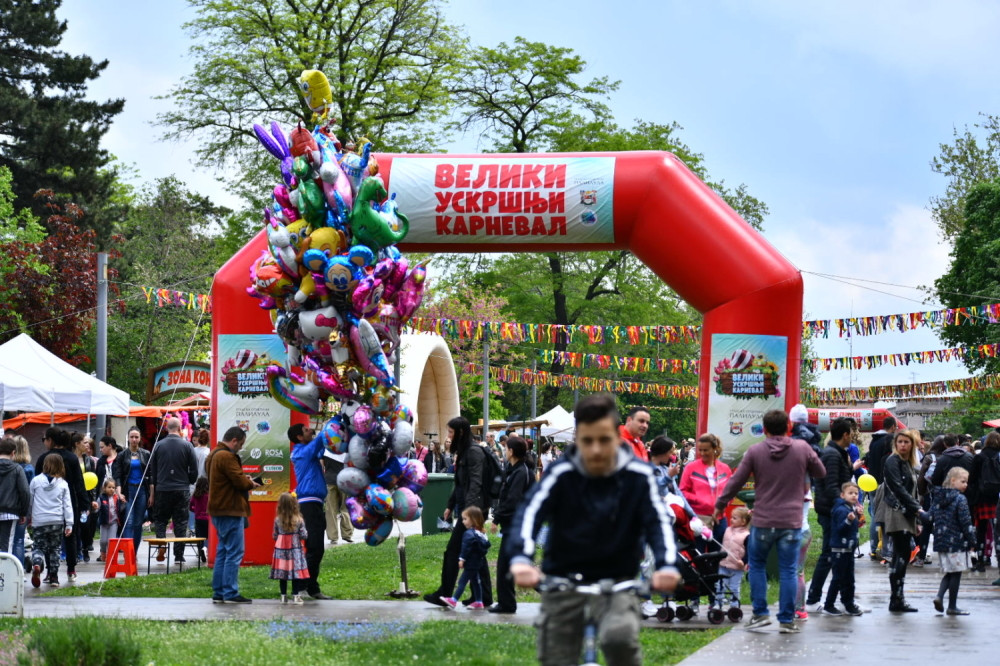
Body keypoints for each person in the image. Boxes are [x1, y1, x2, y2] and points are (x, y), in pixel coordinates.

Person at [508, 394, 680, 665]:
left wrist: (667, 565)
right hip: (563, 580)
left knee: (619, 638)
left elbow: (657, 523)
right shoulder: (561, 473)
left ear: (616, 435)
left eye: (604, 440)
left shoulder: (638, 474)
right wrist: (520, 559)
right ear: (578, 439)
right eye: (587, 441)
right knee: (557, 653)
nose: (596, 449)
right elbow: (529, 514)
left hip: (619, 581)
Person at [713, 409, 825, 634]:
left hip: (763, 520)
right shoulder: (802, 449)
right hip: (791, 522)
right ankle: (786, 619)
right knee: (789, 570)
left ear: (763, 429)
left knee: (757, 567)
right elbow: (820, 472)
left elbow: (736, 481)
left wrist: (720, 505)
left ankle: (760, 614)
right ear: (789, 427)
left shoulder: (755, 451)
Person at [424, 417, 493, 608]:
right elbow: (460, 483)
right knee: (476, 553)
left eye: (451, 433)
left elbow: (476, 484)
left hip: (472, 511)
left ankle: (444, 593)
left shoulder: (474, 453)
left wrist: (469, 515)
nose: (449, 436)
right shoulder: (464, 452)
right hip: (467, 509)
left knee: (453, 551)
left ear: (461, 433)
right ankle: (484, 596)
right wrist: (450, 504)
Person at [806, 417, 855, 609]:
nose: (852, 437)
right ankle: (813, 599)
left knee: (837, 556)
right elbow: (832, 485)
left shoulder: (837, 453)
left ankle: (843, 599)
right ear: (845, 434)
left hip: (833, 510)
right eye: (851, 433)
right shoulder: (832, 455)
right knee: (829, 555)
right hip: (831, 512)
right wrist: (844, 507)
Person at [206, 426, 259, 603]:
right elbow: (239, 482)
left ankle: (219, 591)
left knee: (223, 551)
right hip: (230, 508)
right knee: (235, 552)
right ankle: (230, 592)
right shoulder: (227, 456)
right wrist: (250, 483)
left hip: (218, 509)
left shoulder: (213, 454)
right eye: (241, 444)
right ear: (234, 440)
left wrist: (244, 480)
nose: (241, 448)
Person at [881, 429, 931, 613]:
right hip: (897, 512)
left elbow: (913, 491)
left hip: (906, 512)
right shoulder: (892, 461)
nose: (902, 445)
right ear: (896, 444)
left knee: (901, 557)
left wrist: (916, 517)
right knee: (900, 557)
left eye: (906, 442)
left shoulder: (908, 463)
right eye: (900, 441)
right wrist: (918, 511)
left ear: (912, 445)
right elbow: (897, 488)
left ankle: (898, 599)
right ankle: (896, 600)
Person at [35, 427, 89, 582]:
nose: (44, 442)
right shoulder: (72, 458)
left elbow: (38, 482)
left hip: (46, 505)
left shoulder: (43, 458)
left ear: (51, 440)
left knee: (48, 540)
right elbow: (79, 483)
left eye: (44, 439)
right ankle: (71, 569)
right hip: (69, 501)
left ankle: (50, 572)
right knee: (70, 537)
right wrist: (85, 505)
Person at [490, 435, 533, 614]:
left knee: (506, 567)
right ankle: (507, 603)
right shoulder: (515, 469)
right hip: (515, 525)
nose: (505, 451)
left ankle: (507, 604)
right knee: (512, 566)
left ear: (512, 451)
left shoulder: (520, 472)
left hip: (516, 526)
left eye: (506, 449)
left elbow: (512, 500)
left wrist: (496, 518)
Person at [289, 423, 330, 599]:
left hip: (315, 504)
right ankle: (303, 587)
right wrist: (334, 421)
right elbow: (321, 439)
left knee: (316, 548)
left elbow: (323, 447)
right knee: (314, 548)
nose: (310, 431)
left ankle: (311, 587)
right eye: (306, 430)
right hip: (309, 504)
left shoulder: (307, 451)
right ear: (299, 437)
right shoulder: (301, 453)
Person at [149, 417, 199, 564]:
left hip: (163, 488)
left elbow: (153, 469)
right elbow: (194, 469)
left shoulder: (158, 445)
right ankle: (179, 555)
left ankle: (161, 545)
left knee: (160, 520)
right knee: (181, 522)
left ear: (167, 428)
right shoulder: (187, 446)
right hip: (181, 488)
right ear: (180, 427)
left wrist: (157, 486)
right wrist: (189, 480)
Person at [931, 467, 976, 615]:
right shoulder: (960, 499)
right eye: (963, 481)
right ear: (953, 481)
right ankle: (952, 606)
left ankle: (939, 596)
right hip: (956, 542)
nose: (966, 485)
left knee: (949, 572)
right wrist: (972, 541)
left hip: (942, 541)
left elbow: (930, 517)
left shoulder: (938, 497)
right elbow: (965, 522)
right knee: (956, 573)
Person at [28, 454, 73, 587]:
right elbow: (67, 505)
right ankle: (54, 577)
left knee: (38, 546)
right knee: (55, 549)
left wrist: (31, 516)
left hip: (39, 520)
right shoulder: (63, 484)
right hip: (56, 520)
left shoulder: (35, 481)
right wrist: (69, 523)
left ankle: (36, 563)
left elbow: (30, 501)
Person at [679, 433, 732, 544]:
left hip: (719, 519)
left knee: (718, 555)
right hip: (698, 519)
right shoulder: (691, 468)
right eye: (700, 450)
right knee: (698, 556)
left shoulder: (725, 469)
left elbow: (730, 492)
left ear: (715, 449)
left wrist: (723, 505)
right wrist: (702, 501)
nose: (702, 453)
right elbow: (682, 492)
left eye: (706, 450)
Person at [822, 482, 863, 617]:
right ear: (842, 495)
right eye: (850, 493)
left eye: (856, 493)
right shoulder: (841, 510)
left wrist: (857, 515)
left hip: (848, 549)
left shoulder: (849, 508)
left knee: (849, 579)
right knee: (838, 579)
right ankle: (829, 604)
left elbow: (856, 526)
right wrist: (849, 520)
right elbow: (840, 529)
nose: (854, 496)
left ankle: (848, 603)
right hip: (839, 550)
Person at [441, 506, 491, 609]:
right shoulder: (482, 533)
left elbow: (465, 548)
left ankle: (454, 600)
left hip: (470, 563)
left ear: (473, 520)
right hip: (478, 563)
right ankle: (479, 601)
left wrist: (461, 559)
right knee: (476, 581)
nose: (463, 522)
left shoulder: (468, 534)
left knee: (462, 581)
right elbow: (486, 546)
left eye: (465, 519)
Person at [112, 426, 152, 555]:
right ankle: (128, 552)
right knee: (128, 521)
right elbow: (117, 475)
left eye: (136, 437)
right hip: (128, 490)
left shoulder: (146, 454)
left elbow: (151, 476)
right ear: (128, 438)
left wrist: (151, 494)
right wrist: (119, 492)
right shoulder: (122, 455)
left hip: (142, 491)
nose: (134, 439)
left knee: (138, 523)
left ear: (140, 439)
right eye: (132, 437)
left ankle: (134, 552)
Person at [864, 416, 897, 558]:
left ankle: (873, 548)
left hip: (871, 481)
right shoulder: (888, 441)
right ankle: (884, 547)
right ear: (893, 426)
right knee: (883, 516)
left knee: (874, 516)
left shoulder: (874, 441)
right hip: (883, 484)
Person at [270, 492, 310, 605]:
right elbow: (304, 535)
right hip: (295, 548)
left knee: (283, 573)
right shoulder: (299, 520)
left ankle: (283, 596)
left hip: (281, 548)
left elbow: (275, 535)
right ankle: (296, 596)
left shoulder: (277, 520)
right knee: (295, 572)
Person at [968, 432, 1000, 572]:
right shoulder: (999, 456)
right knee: (997, 531)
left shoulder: (979, 457)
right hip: (997, 497)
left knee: (981, 530)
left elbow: (972, 479)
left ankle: (980, 561)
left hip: (982, 497)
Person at [0, 437, 30, 554]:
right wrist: (23, 512)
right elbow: (25, 492)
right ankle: (4, 571)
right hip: (10, 512)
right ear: (13, 452)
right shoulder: (17, 469)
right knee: (7, 544)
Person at [717, 506, 750, 610]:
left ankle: (734, 605)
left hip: (736, 566)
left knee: (734, 587)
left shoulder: (747, 535)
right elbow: (719, 540)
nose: (731, 519)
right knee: (720, 585)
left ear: (743, 521)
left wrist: (744, 561)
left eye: (735, 518)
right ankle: (718, 603)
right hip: (723, 563)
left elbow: (749, 551)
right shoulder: (727, 530)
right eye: (731, 517)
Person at [73, 433, 98, 563]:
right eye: (84, 442)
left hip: (86, 496)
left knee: (85, 524)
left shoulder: (89, 460)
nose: (87, 445)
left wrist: (93, 498)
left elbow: (93, 480)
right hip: (74, 495)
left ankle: (85, 549)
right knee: (75, 525)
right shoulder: (71, 459)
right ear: (77, 444)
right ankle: (77, 551)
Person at [11, 435, 34, 566]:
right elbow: (30, 492)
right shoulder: (29, 469)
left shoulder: (8, 467)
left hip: (8, 507)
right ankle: (19, 570)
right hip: (23, 509)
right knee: (19, 540)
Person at [323, 450, 353, 544]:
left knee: (331, 510)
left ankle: (333, 536)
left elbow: (321, 465)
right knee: (345, 508)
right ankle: (347, 534)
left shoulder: (325, 451)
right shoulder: (346, 450)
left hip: (329, 480)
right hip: (344, 481)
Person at [96, 478, 122, 562]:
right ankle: (103, 552)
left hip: (114, 522)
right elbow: (97, 509)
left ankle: (110, 556)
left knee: (112, 541)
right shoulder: (101, 498)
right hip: (104, 522)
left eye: (113, 487)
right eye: (109, 487)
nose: (111, 489)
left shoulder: (116, 498)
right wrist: (95, 507)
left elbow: (120, 508)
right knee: (103, 541)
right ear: (104, 488)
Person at [189, 476, 210, 563]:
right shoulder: (209, 495)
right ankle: (206, 549)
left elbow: (190, 506)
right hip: (208, 519)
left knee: (200, 537)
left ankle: (201, 549)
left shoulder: (195, 495)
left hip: (198, 519)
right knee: (208, 536)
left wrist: (195, 510)